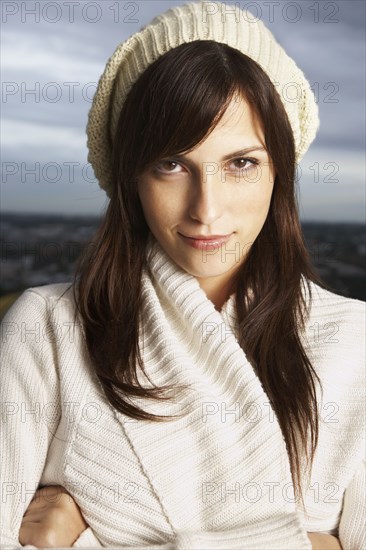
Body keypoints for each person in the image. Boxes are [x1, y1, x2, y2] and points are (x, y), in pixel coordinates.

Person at [1, 1, 364, 549]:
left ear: (280, 172)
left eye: (241, 163)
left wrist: (77, 541)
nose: (206, 209)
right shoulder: (47, 330)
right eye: (171, 164)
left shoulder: (358, 342)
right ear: (131, 178)